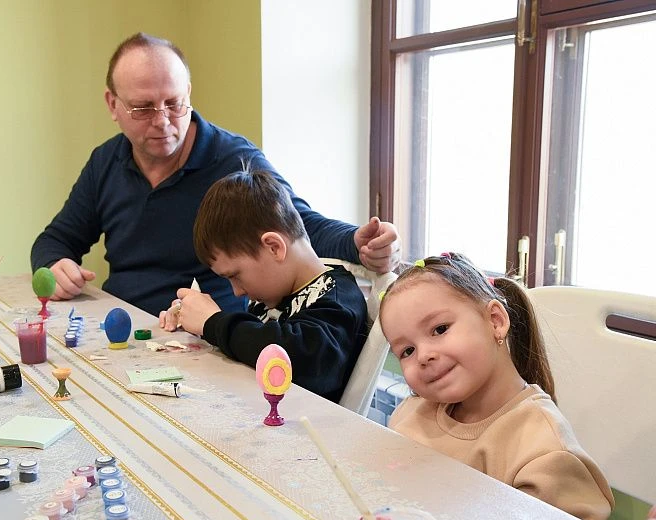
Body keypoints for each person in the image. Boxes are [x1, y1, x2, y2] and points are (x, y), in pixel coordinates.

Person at [30, 32, 400, 317]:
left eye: (174, 103)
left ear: (189, 93)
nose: (162, 121)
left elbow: (298, 225)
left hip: (208, 337)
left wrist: (358, 242)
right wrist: (54, 265)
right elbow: (55, 240)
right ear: (113, 105)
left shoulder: (233, 159)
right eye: (143, 108)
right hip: (123, 328)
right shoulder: (106, 161)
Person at [379, 253, 614, 520]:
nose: (423, 356)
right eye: (407, 351)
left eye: (440, 329)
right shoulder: (412, 413)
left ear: (495, 321)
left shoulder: (544, 453)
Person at [159, 168, 369, 403]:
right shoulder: (272, 297)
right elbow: (252, 345)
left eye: (235, 275)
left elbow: (301, 359)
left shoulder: (338, 298)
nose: (237, 291)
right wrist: (197, 324)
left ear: (273, 247)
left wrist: (213, 323)